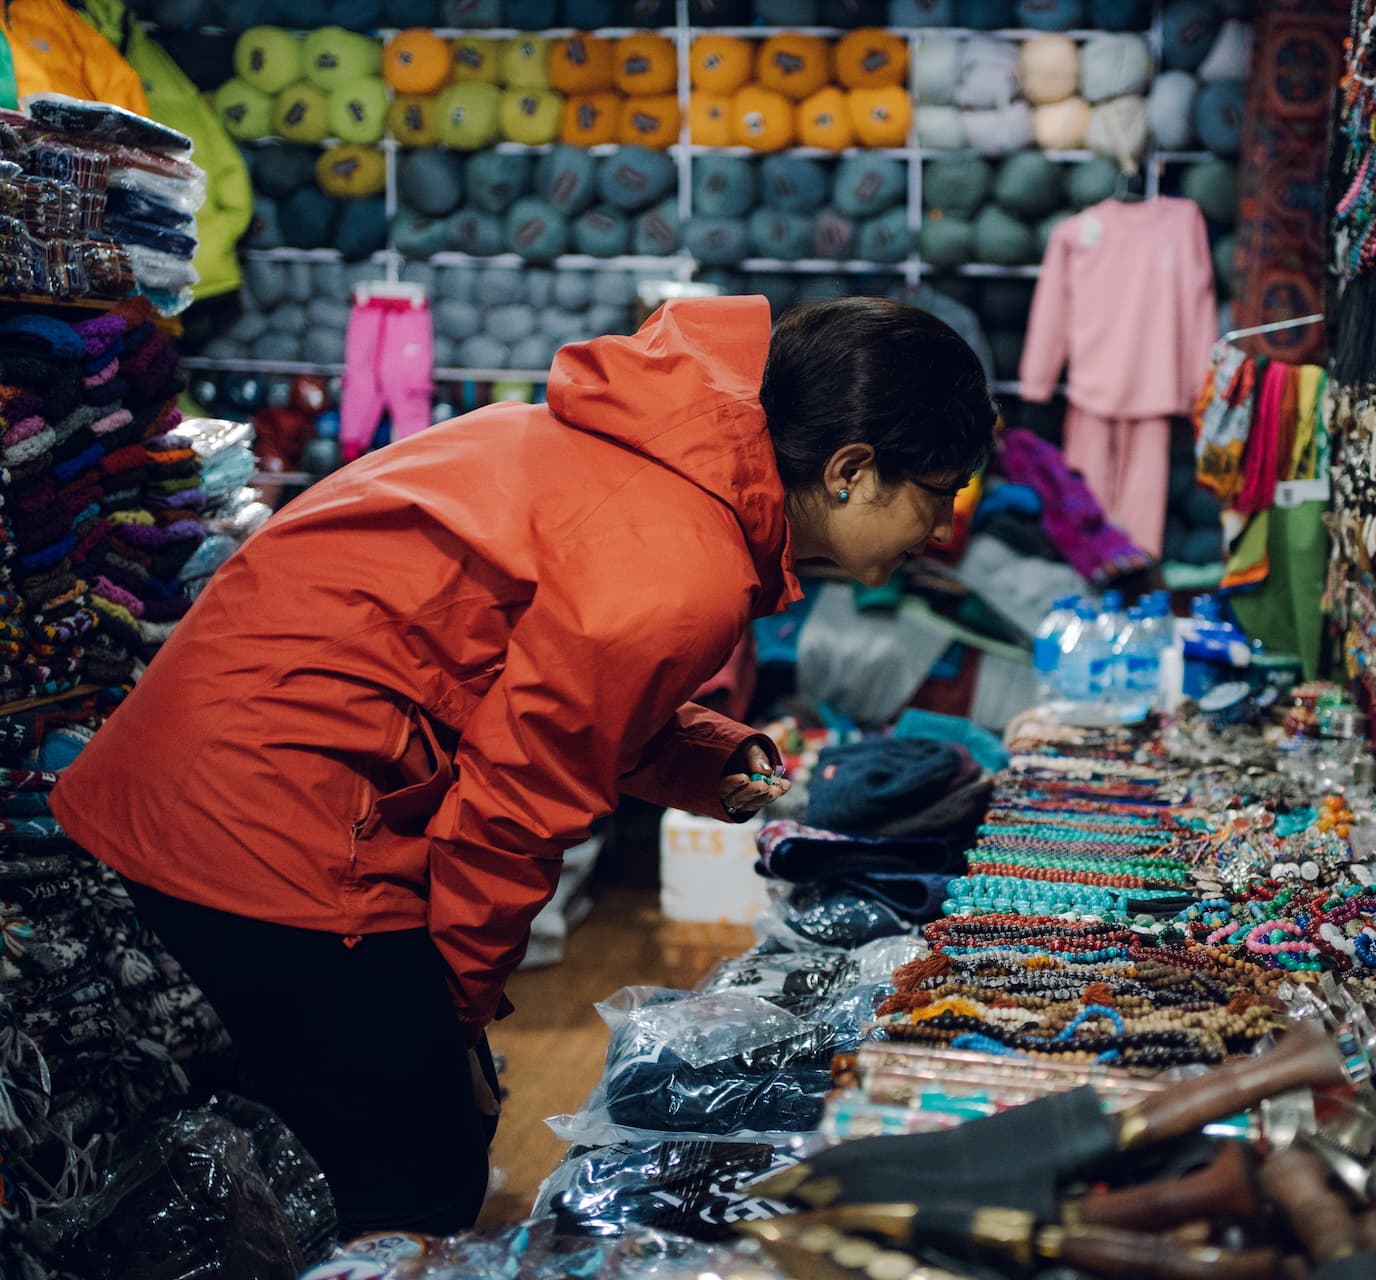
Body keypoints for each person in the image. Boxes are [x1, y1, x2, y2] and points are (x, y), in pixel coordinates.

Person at [49, 294, 997, 1236]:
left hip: (210, 765)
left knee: (358, 1147)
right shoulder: (683, 558)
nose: (944, 530)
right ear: (850, 471)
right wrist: (455, 1026)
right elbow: (513, 812)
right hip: (271, 809)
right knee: (418, 1193)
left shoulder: (636, 458)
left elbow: (531, 687)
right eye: (938, 490)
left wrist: (710, 753)